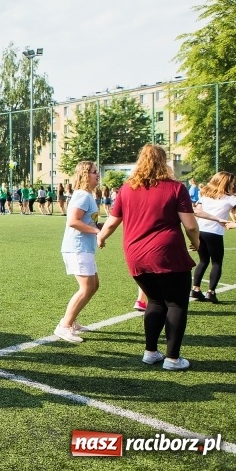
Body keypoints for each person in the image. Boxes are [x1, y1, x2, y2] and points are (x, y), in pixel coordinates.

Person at [97, 144, 200, 371]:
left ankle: (150, 352)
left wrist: (101, 237)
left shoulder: (126, 189)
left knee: (154, 301)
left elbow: (113, 221)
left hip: (136, 254)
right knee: (176, 303)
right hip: (167, 253)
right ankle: (172, 359)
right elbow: (190, 225)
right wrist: (196, 242)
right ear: (163, 162)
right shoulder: (175, 188)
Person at [54, 162, 101, 343]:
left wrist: (103, 228)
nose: (97, 175)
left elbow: (89, 223)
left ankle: (72, 321)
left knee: (94, 285)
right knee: (87, 287)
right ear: (84, 175)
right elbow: (73, 221)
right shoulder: (82, 196)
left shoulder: (87, 195)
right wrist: (97, 232)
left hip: (84, 248)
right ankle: (64, 326)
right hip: (77, 248)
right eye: (94, 172)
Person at [190, 171, 236, 304]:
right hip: (214, 232)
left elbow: (197, 212)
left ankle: (195, 289)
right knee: (216, 262)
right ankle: (211, 292)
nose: (233, 185)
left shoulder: (204, 194)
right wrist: (233, 224)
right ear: (226, 183)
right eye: (232, 182)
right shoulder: (231, 198)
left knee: (203, 261)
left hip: (200, 230)